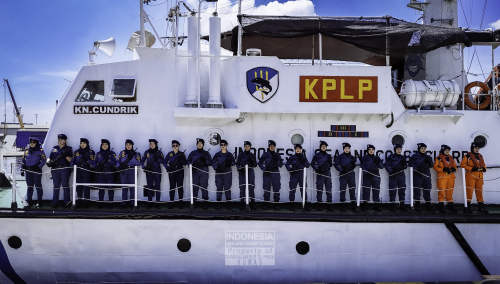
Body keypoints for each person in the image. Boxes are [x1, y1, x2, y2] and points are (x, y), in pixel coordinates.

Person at [46, 134, 73, 209]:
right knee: (56, 186)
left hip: (64, 168)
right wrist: (48, 162)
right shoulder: (55, 148)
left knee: (65, 185)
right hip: (55, 169)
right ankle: (55, 202)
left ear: (65, 140)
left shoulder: (68, 149)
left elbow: (71, 160)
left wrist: (66, 155)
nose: (59, 141)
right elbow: (50, 157)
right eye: (58, 139)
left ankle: (66, 201)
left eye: (61, 139)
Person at [460, 142, 488, 213]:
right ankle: (468, 207)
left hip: (479, 176)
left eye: (478, 148)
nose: (477, 150)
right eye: (475, 148)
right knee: (469, 192)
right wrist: (471, 168)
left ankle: (481, 207)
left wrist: (484, 168)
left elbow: (484, 165)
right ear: (472, 148)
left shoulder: (480, 156)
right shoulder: (467, 156)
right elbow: (462, 164)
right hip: (471, 176)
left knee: (479, 192)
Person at [20, 137, 46, 208]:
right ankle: (29, 201)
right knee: (30, 187)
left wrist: (38, 167)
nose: (31, 143)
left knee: (38, 186)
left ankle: (39, 202)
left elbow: (44, 160)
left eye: (33, 142)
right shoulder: (26, 151)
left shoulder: (40, 151)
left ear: (36, 143)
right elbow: (23, 161)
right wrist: (22, 170)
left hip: (36, 171)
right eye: (31, 142)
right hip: (28, 171)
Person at [187, 138, 212, 210]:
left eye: (201, 143)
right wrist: (191, 165)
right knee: (195, 187)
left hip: (203, 170)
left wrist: (205, 160)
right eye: (198, 144)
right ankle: (193, 203)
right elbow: (188, 161)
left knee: (204, 187)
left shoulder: (206, 153)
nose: (199, 145)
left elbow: (210, 162)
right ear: (196, 145)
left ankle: (205, 202)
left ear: (203, 144)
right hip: (195, 171)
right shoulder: (193, 153)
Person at [116, 139, 141, 209]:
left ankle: (132, 202)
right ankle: (124, 202)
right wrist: (119, 166)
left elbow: (139, 163)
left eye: (130, 145)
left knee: (132, 187)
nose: (128, 146)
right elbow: (117, 161)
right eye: (127, 145)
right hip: (123, 171)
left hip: (132, 170)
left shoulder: (136, 153)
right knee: (124, 187)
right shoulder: (122, 153)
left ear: (132, 145)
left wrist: (131, 158)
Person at [258, 140, 283, 210]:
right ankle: (266, 203)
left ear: (275, 147)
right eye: (270, 146)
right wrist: (264, 169)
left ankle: (277, 203)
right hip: (267, 173)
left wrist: (277, 160)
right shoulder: (265, 154)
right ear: (269, 147)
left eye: (273, 146)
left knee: (276, 189)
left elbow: (280, 165)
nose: (272, 147)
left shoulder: (277, 155)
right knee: (266, 189)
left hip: (275, 173)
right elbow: (260, 163)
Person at [409, 143, 434, 212]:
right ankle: (417, 204)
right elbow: (410, 163)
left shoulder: (427, 156)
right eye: (422, 148)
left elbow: (431, 165)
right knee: (417, 190)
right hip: (418, 175)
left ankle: (428, 204)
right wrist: (417, 169)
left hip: (426, 175)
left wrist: (429, 162)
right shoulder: (414, 156)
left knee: (427, 189)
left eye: (424, 148)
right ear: (419, 149)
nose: (423, 150)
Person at [70, 138, 95, 208]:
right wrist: (73, 167)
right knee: (78, 186)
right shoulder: (76, 152)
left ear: (87, 144)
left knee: (86, 186)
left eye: (84, 143)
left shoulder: (90, 152)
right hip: (78, 169)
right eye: (81, 143)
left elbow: (93, 162)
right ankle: (79, 201)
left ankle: (87, 202)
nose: (82, 145)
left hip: (86, 169)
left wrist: (87, 160)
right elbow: (73, 161)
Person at [285, 144, 310, 211]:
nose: (298, 149)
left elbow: (308, 165)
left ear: (301, 149)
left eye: (299, 148)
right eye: (296, 148)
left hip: (302, 174)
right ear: (295, 149)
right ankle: (291, 204)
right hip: (294, 174)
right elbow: (287, 164)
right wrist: (289, 169)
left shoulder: (303, 157)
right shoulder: (292, 157)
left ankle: (305, 204)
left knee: (303, 190)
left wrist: (303, 161)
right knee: (292, 190)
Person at [433, 144, 458, 213]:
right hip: (442, 177)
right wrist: (443, 169)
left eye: (448, 150)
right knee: (442, 192)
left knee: (450, 192)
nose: (447, 151)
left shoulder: (451, 158)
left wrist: (454, 169)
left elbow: (455, 167)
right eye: (446, 150)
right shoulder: (438, 158)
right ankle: (441, 207)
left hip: (451, 177)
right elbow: (435, 167)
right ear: (442, 150)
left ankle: (450, 206)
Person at [212, 139, 235, 210]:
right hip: (219, 174)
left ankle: (229, 203)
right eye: (221, 145)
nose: (223, 146)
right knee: (219, 188)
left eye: (224, 145)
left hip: (227, 173)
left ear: (226, 145)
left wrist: (229, 163)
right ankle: (218, 203)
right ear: (220, 146)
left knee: (227, 189)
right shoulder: (217, 154)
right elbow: (213, 163)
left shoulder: (230, 155)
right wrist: (216, 168)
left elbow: (234, 163)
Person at [360, 144, 384, 212]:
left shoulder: (377, 158)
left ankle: (376, 205)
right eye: (369, 150)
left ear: (374, 150)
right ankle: (365, 205)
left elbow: (382, 167)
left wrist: (378, 162)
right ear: (368, 150)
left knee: (376, 190)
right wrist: (367, 173)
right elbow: (362, 166)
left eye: (372, 149)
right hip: (367, 176)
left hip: (375, 175)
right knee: (366, 190)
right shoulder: (364, 158)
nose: (371, 151)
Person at [141, 139, 164, 209]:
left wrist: (158, 159)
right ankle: (149, 202)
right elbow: (142, 161)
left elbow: (163, 161)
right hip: (149, 171)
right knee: (149, 187)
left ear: (156, 145)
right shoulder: (147, 152)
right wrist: (144, 167)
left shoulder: (159, 152)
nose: (152, 145)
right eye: (150, 144)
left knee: (157, 187)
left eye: (153, 144)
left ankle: (158, 203)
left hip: (157, 170)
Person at [334, 142, 357, 212]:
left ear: (349, 149)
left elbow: (354, 165)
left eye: (348, 148)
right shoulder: (340, 157)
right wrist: (341, 170)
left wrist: (352, 166)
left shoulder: (352, 157)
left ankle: (353, 205)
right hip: (343, 175)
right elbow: (336, 165)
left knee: (352, 190)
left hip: (351, 175)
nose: (347, 150)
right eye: (345, 148)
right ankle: (343, 205)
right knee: (342, 190)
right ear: (343, 149)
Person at [310, 141, 333, 211]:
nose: (324, 147)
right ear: (320, 147)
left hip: (327, 172)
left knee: (329, 188)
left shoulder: (328, 156)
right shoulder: (317, 155)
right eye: (322, 146)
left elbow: (331, 165)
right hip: (320, 173)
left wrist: (330, 162)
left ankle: (329, 204)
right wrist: (317, 169)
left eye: (325, 147)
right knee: (319, 189)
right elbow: (312, 164)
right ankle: (319, 204)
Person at [164, 140, 187, 209]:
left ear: (178, 146)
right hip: (172, 172)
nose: (175, 147)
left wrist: (181, 159)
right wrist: (167, 168)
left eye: (176, 145)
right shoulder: (169, 154)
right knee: (172, 188)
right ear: (172, 146)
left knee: (180, 187)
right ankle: (171, 203)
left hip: (180, 171)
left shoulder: (182, 154)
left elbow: (185, 163)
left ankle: (180, 203)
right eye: (173, 145)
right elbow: (164, 162)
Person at [94, 139, 117, 209]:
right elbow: (94, 163)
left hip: (109, 171)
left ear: (108, 146)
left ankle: (111, 203)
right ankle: (100, 202)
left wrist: (109, 160)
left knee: (110, 188)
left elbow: (115, 163)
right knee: (101, 188)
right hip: (101, 172)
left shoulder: (112, 153)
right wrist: (97, 166)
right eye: (103, 144)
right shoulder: (98, 153)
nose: (104, 146)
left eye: (106, 145)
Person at [385, 143, 407, 212]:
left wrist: (404, 166)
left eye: (400, 149)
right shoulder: (391, 157)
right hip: (393, 175)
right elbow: (386, 165)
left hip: (401, 175)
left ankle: (402, 205)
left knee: (402, 190)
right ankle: (392, 205)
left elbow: (405, 166)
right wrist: (391, 171)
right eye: (397, 149)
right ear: (395, 150)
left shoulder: (403, 157)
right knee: (392, 190)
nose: (399, 150)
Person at [235, 141, 257, 210]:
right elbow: (237, 163)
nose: (247, 147)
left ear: (250, 147)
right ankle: (242, 203)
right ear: (244, 147)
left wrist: (252, 162)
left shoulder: (252, 155)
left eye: (248, 146)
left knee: (251, 187)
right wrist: (239, 169)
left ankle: (252, 203)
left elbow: (255, 165)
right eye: (246, 146)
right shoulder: (241, 155)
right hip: (242, 172)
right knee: (242, 187)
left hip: (250, 172)